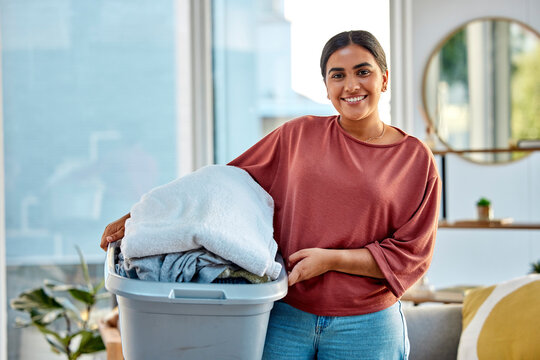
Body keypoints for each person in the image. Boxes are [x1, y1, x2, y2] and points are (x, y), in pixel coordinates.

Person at [101, 30, 441, 359]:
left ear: (383, 78)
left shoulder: (414, 158)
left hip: (368, 326)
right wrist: (142, 217)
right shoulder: (297, 136)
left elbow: (411, 254)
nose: (351, 85)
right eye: (337, 75)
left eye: (362, 72)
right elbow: (220, 188)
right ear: (326, 87)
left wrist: (331, 260)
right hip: (285, 314)